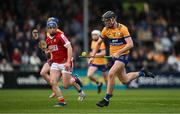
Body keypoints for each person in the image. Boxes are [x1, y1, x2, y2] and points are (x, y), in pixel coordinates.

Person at [89, 11, 155, 107]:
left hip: (123, 55)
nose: (105, 23)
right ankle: (142, 73)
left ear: (112, 19)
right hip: (114, 57)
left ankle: (106, 99)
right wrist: (92, 56)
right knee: (124, 80)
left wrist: (118, 52)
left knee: (111, 73)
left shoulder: (123, 28)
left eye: (107, 21)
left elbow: (130, 44)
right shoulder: (105, 29)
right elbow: (98, 43)